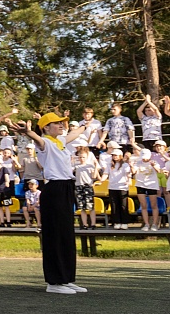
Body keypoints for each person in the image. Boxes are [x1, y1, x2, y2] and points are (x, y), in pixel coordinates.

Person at [10, 113, 88, 294]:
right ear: (46, 127)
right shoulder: (45, 142)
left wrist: (85, 125)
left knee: (67, 235)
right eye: (56, 123)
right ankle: (54, 282)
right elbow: (38, 140)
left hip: (67, 188)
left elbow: (73, 134)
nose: (61, 125)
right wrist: (29, 133)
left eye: (62, 123)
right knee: (55, 236)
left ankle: (66, 278)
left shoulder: (60, 141)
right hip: (55, 189)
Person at [130, 148, 165, 231]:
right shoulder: (138, 162)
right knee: (143, 205)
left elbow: (159, 172)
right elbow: (134, 172)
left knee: (153, 205)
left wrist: (153, 166)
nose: (144, 158)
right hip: (140, 184)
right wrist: (131, 166)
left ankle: (154, 224)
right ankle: (146, 224)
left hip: (151, 185)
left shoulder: (154, 162)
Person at [100, 144, 132, 229]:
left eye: (116, 155)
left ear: (120, 156)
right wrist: (101, 181)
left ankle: (124, 222)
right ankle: (116, 222)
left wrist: (128, 180)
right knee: (114, 205)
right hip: (112, 187)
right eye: (113, 155)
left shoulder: (125, 165)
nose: (114, 157)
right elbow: (106, 174)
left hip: (122, 187)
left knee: (123, 205)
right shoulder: (109, 165)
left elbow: (128, 174)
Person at [74, 145, 99, 230]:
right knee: (82, 207)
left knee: (90, 206)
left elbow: (94, 176)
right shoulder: (76, 166)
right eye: (80, 157)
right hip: (79, 186)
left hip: (88, 186)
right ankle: (85, 224)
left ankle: (93, 224)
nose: (82, 159)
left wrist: (96, 166)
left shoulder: (90, 166)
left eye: (83, 157)